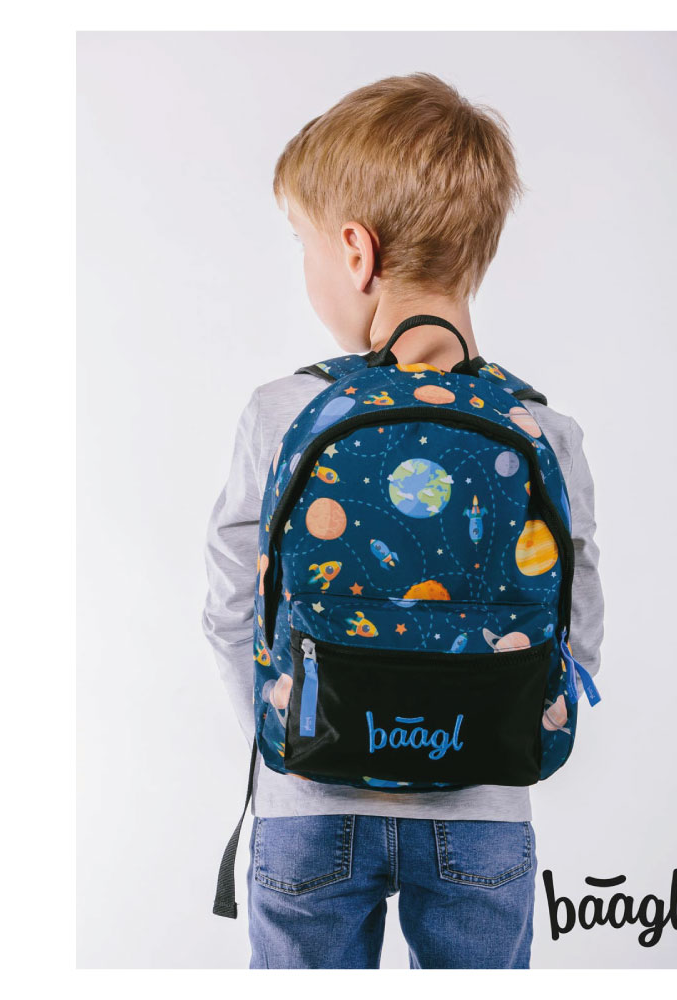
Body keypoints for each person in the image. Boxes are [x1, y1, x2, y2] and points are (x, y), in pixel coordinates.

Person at [203, 72, 604, 969]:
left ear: (355, 251)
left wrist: (286, 736)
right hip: (485, 810)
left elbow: (229, 607)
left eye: (303, 243)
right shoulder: (544, 430)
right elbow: (577, 627)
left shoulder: (283, 413)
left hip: (309, 807)